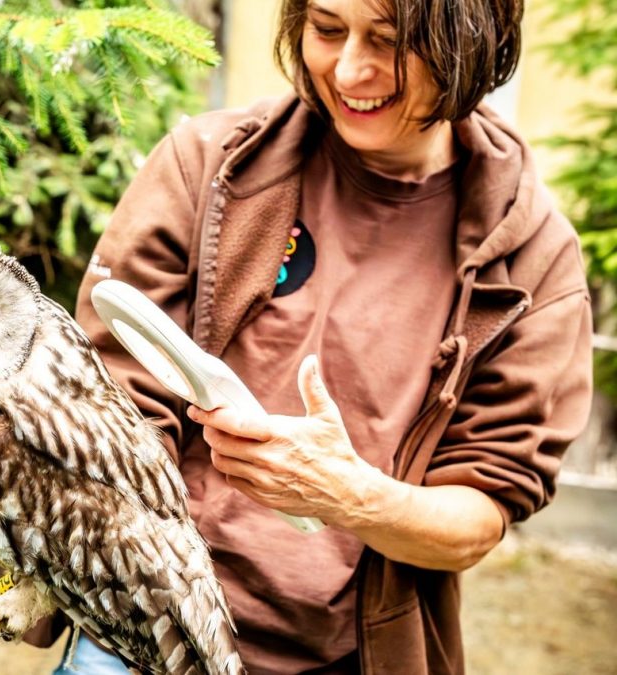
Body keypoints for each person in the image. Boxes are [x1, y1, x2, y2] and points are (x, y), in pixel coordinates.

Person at [33, 0, 594, 671]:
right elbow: (102, 409)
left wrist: (347, 494)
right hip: (138, 636)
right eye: (327, 30)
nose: (351, 70)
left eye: (389, 41)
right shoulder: (209, 167)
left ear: (472, 40)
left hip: (345, 652)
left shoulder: (534, 259)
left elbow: (479, 515)